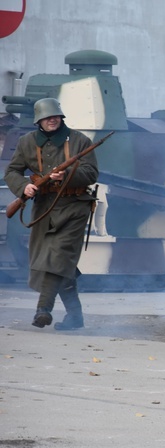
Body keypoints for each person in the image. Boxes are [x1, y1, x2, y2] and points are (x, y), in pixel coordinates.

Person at [4, 98, 99, 330]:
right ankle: (75, 316)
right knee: (53, 261)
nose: (52, 119)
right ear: (39, 121)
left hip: (75, 206)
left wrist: (66, 176)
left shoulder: (79, 141)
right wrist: (23, 187)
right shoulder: (27, 143)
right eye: (47, 117)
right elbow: (12, 171)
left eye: (56, 115)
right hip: (44, 207)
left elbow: (91, 173)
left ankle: (42, 309)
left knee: (57, 257)